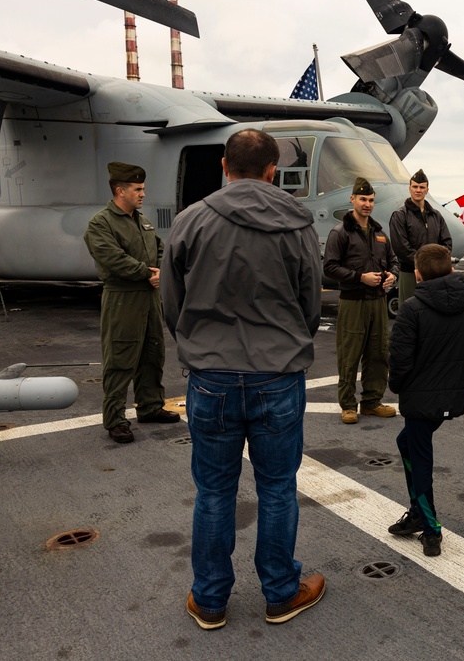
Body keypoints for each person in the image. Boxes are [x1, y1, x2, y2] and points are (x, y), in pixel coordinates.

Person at [161, 129, 325, 630]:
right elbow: (310, 306)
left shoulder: (190, 220)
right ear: (273, 170)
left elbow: (172, 302)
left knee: (214, 491)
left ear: (224, 166)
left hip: (211, 376)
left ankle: (209, 599)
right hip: (277, 373)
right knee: (277, 488)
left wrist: (199, 345)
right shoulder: (298, 224)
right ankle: (280, 591)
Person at [386, 244, 464, 556]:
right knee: (408, 445)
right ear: (450, 268)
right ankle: (418, 511)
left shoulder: (412, 308)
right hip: (449, 398)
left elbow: (399, 362)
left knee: (420, 459)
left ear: (418, 273)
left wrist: (402, 387)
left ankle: (430, 527)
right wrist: (453, 382)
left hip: (419, 400)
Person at [83, 162, 179, 444]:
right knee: (120, 357)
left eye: (143, 189)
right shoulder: (101, 223)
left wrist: (162, 270)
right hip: (122, 297)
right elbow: (111, 257)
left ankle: (149, 406)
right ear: (119, 190)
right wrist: (147, 273)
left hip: (149, 298)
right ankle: (114, 418)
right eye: (137, 189)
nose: (142, 194)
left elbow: (161, 249)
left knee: (152, 352)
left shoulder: (142, 221)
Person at [323, 177, 400, 424]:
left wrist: (392, 276)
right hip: (353, 302)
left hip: (377, 301)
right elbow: (330, 267)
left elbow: (393, 260)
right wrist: (359, 277)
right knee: (349, 354)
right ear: (352, 199)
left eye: (371, 200)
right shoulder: (340, 232)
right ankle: (348, 404)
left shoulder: (379, 233)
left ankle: (371, 402)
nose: (367, 204)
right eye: (363, 199)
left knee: (378, 352)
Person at [389, 169, 452, 306]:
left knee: (434, 312)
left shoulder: (436, 216)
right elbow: (401, 248)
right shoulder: (400, 215)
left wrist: (434, 266)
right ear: (409, 189)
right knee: (409, 311)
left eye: (422, 187)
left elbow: (447, 243)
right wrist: (424, 266)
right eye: (415, 187)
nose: (418, 190)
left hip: (434, 275)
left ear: (427, 190)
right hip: (410, 273)